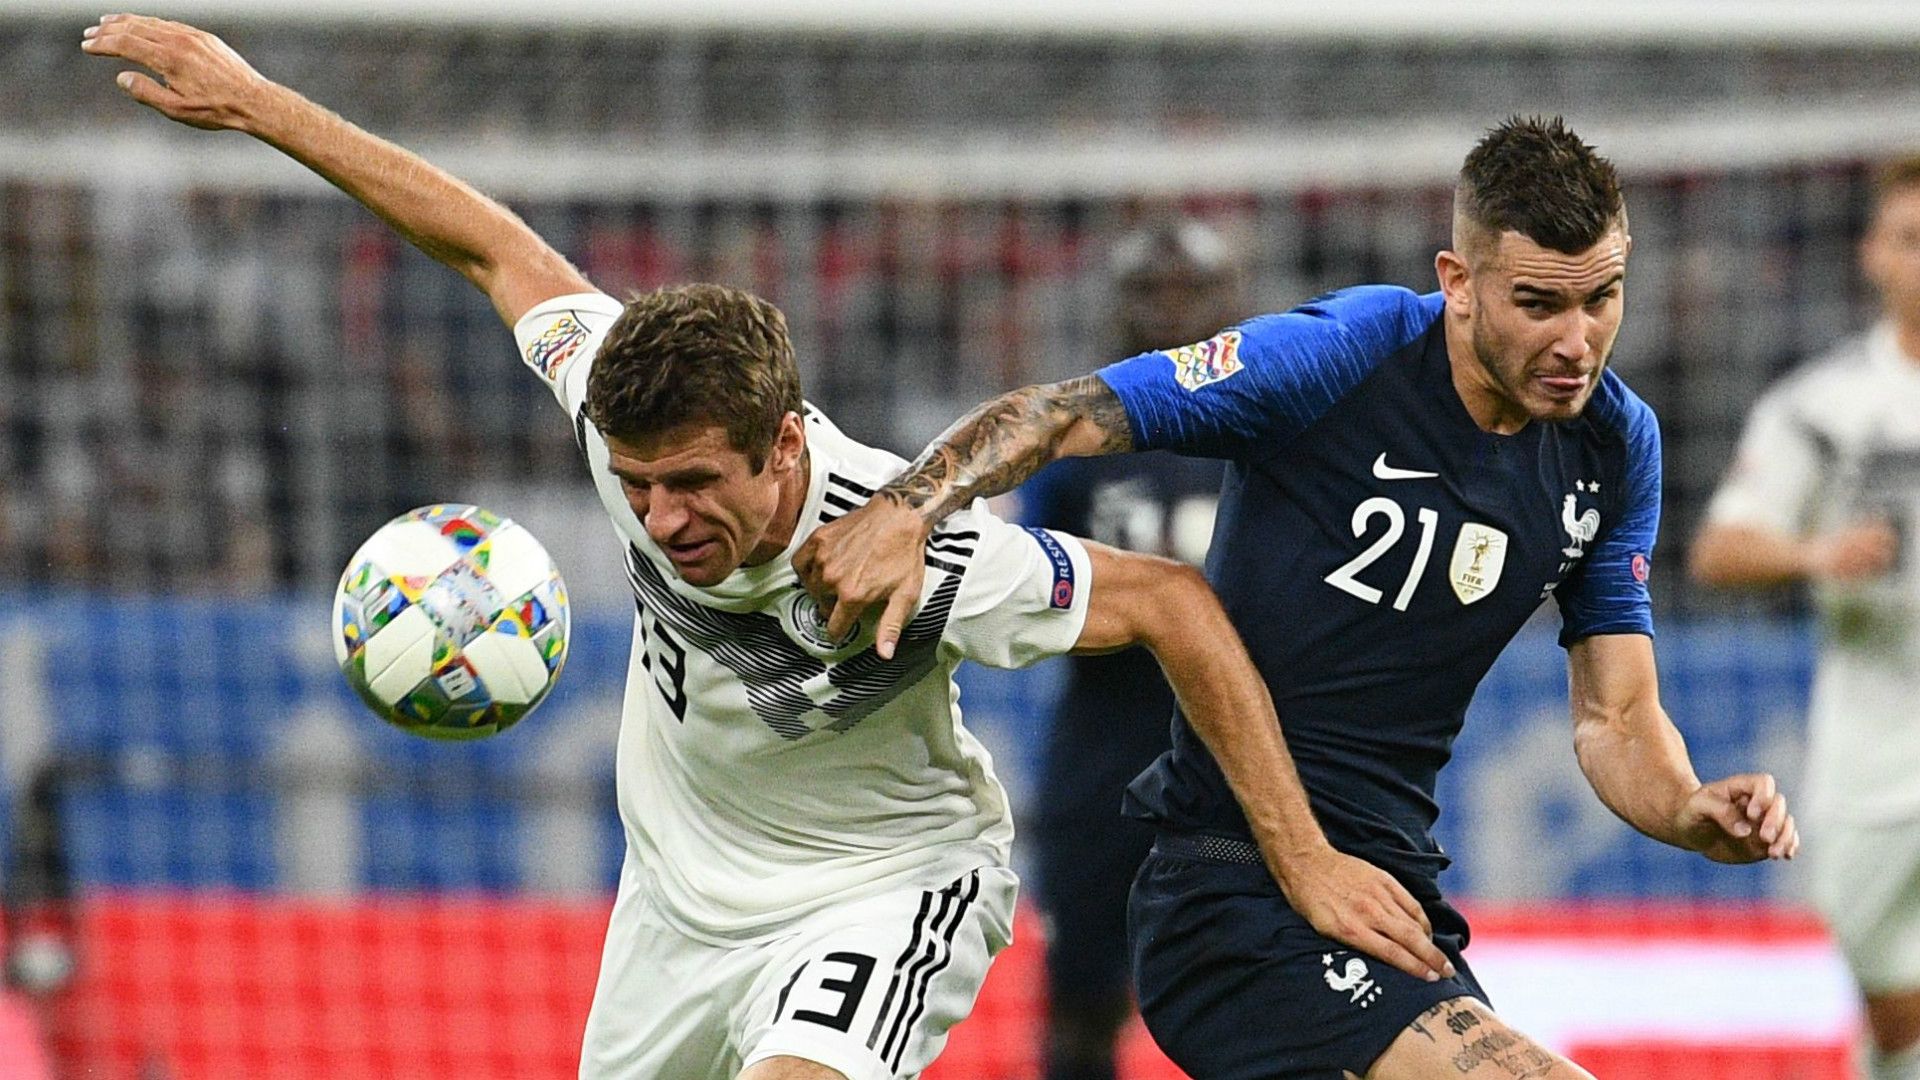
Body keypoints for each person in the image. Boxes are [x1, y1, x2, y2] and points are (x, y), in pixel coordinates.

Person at [83, 15, 1453, 1080]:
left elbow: (1170, 603)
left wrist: (1304, 857)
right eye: (639, 487)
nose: (663, 519)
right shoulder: (615, 400)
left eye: (694, 485)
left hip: (888, 886)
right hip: (676, 909)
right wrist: (256, 105)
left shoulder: (908, 541)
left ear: (784, 445)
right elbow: (493, 249)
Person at [797, 115, 1801, 1080]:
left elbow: (1617, 717)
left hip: (1384, 894)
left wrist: (1684, 806)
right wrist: (906, 508)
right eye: (1539, 304)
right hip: (1231, 886)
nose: (1579, 340)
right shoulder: (1348, 354)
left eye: (1604, 299)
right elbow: (1059, 413)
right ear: (1457, 283)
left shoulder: (1615, 445)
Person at [1691, 155, 1920, 1080]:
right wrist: (1816, 554)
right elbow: (1719, 549)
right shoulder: (1823, 405)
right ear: (1873, 253)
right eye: (1911, 238)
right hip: (1873, 751)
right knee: (1894, 1009)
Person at [1019, 218, 1240, 1080]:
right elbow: (1021, 584)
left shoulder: (1269, 437)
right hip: (1103, 757)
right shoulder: (1073, 444)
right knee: (1082, 1003)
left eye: (1190, 292)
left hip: (1234, 758)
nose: (1169, 311)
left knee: (1259, 1006)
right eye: (1152, 292)